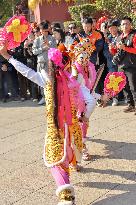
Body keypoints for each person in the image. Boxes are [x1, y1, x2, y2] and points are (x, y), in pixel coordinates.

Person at [0, 44, 83, 205]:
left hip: (56, 130)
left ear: (50, 65)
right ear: (68, 64)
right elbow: (84, 99)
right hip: (72, 129)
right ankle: (67, 192)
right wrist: (83, 115)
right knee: (64, 159)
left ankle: (66, 195)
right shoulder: (74, 80)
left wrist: (9, 57)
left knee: (53, 161)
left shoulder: (47, 80)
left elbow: (26, 71)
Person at [113, 16, 136, 113]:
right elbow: (117, 52)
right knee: (124, 87)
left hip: (132, 65)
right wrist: (112, 49)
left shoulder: (134, 35)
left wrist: (125, 48)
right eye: (123, 24)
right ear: (120, 26)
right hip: (121, 66)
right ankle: (130, 105)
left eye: (127, 23)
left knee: (134, 87)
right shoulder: (119, 37)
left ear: (131, 25)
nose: (125, 25)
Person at [32, 21, 56, 105]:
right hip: (41, 63)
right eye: (43, 30)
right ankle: (44, 97)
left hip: (50, 63)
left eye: (46, 30)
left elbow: (55, 49)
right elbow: (34, 51)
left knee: (50, 80)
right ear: (40, 30)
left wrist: (49, 47)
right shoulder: (37, 40)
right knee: (41, 81)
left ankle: (51, 97)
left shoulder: (52, 38)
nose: (44, 32)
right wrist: (42, 48)